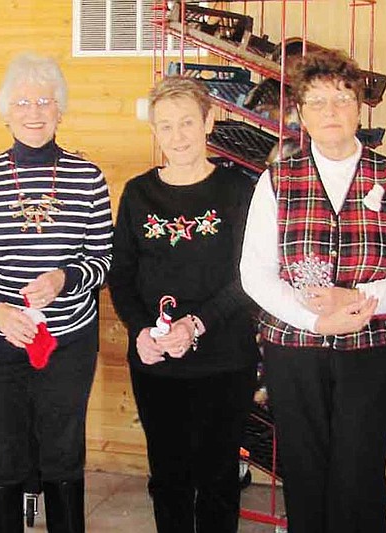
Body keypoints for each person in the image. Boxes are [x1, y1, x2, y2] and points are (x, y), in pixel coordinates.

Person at [240, 47, 386, 533]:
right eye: (318, 102)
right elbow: (255, 273)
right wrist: (315, 320)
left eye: (342, 99)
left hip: (369, 352)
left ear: (359, 107)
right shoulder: (276, 180)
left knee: (360, 474)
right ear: (301, 114)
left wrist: (358, 299)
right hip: (294, 352)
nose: (331, 112)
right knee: (305, 474)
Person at [0, 52, 112, 533]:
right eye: (22, 101)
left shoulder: (88, 178)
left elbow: (104, 258)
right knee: (3, 455)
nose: (34, 111)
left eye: (44, 100)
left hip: (67, 341)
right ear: (6, 111)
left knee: (63, 455)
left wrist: (65, 278)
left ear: (60, 109)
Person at [107, 76, 259, 533]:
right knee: (168, 478)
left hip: (224, 359)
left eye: (188, 122)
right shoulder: (137, 194)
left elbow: (248, 279)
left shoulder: (237, 191)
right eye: (166, 126)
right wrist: (138, 332)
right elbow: (122, 276)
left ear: (209, 122)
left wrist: (196, 323)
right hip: (156, 362)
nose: (178, 136)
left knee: (217, 480)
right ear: (154, 132)